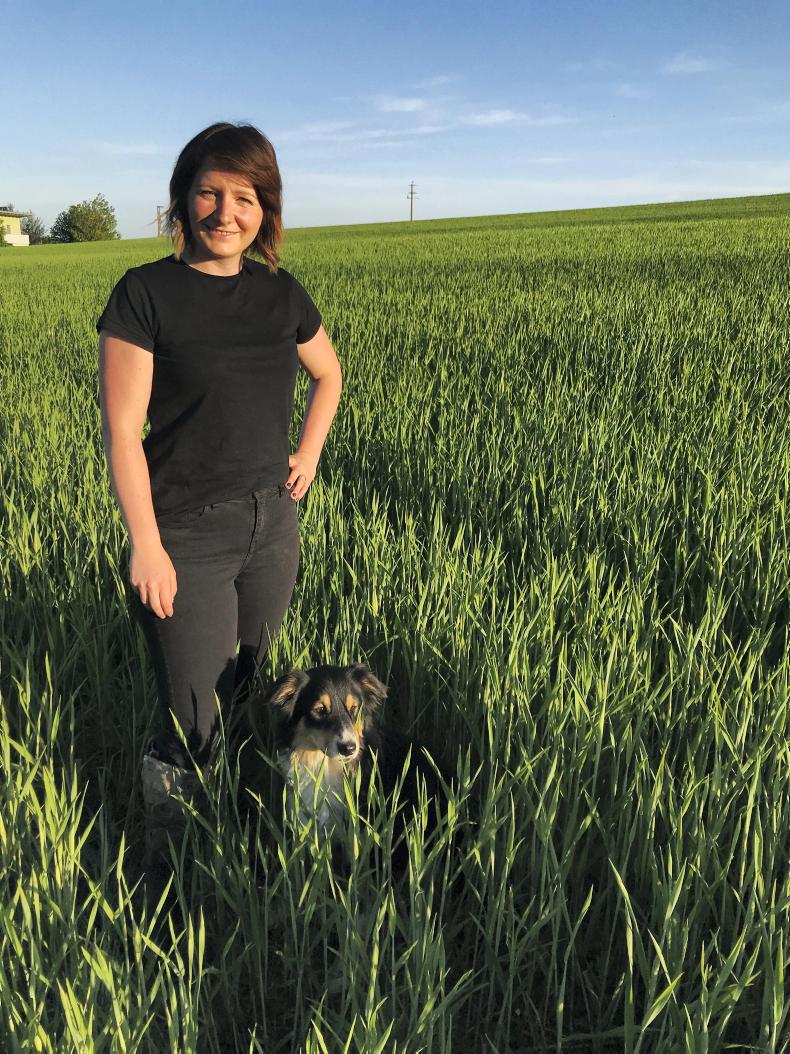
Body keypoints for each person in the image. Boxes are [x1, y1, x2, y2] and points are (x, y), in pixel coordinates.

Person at [96, 121, 342, 909]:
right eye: (209, 191)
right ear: (182, 198)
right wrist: (146, 544)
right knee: (192, 716)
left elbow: (329, 375)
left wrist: (307, 454)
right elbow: (122, 431)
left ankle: (239, 820)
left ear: (264, 210)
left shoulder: (281, 293)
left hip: (272, 525)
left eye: (245, 196)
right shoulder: (145, 293)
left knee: (250, 686)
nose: (224, 210)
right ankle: (170, 875)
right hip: (185, 536)